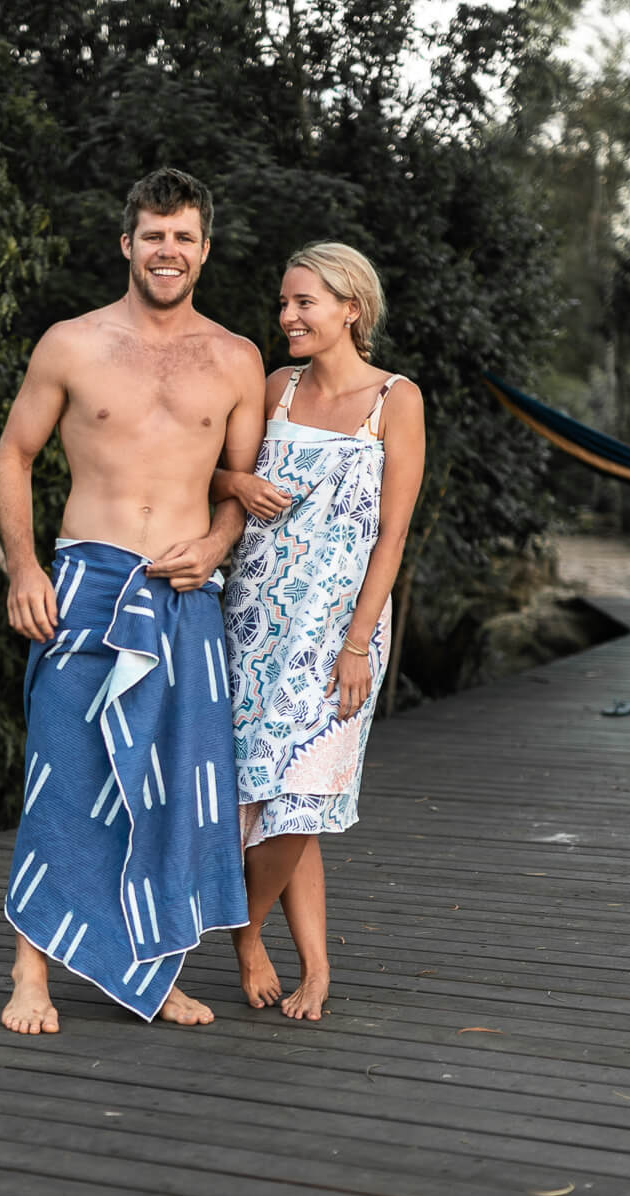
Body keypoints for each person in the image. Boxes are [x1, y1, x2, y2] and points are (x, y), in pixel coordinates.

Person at [0, 168, 268, 1034]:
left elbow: (240, 487)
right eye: (154, 235)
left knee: (175, 787)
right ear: (127, 244)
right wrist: (24, 568)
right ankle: (28, 971)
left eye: (184, 237)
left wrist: (220, 544)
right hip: (85, 583)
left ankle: (153, 972)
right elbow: (12, 457)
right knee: (62, 775)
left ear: (205, 250)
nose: (168, 251)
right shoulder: (71, 343)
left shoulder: (235, 358)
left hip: (184, 595)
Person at [217, 241, 425, 1020]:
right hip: (255, 621)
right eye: (283, 303)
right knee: (271, 799)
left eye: (303, 303)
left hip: (340, 632)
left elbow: (393, 534)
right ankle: (318, 967)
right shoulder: (273, 389)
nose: (287, 317)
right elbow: (206, 467)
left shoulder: (394, 400)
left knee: (307, 792)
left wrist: (356, 643)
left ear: (351, 309)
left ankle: (243, 929)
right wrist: (234, 479)